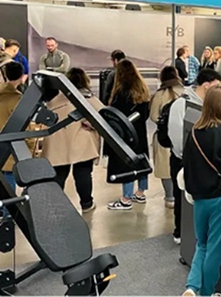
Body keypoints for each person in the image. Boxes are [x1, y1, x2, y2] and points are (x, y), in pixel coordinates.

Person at [181, 87, 221, 297]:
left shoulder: (194, 134)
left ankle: (192, 287)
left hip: (200, 199)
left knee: (202, 245)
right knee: (216, 249)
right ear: (220, 106)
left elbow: (187, 165)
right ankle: (207, 292)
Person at [167, 69, 221, 244]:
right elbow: (176, 137)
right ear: (206, 86)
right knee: (182, 196)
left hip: (204, 162)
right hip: (183, 161)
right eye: (217, 86)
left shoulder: (209, 105)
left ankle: (200, 231)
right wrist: (188, 157)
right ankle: (181, 231)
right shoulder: (181, 104)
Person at [42, 68, 103, 213]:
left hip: (57, 143)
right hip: (82, 142)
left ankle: (56, 206)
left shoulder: (55, 100)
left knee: (59, 175)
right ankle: (86, 204)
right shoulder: (88, 99)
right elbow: (104, 117)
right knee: (83, 173)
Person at [105, 59, 151, 210]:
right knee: (141, 159)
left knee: (127, 163)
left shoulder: (121, 93)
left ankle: (126, 198)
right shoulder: (143, 90)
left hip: (125, 134)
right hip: (140, 131)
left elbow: (115, 116)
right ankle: (141, 192)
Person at [149, 66, 184, 209]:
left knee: (165, 169)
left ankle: (170, 197)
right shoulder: (185, 92)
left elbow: (153, 116)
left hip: (164, 138)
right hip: (183, 135)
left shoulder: (160, 94)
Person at [0, 62, 33, 193]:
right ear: (21, 76)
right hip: (9, 145)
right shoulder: (18, 99)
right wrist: (30, 144)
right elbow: (24, 126)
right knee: (8, 178)